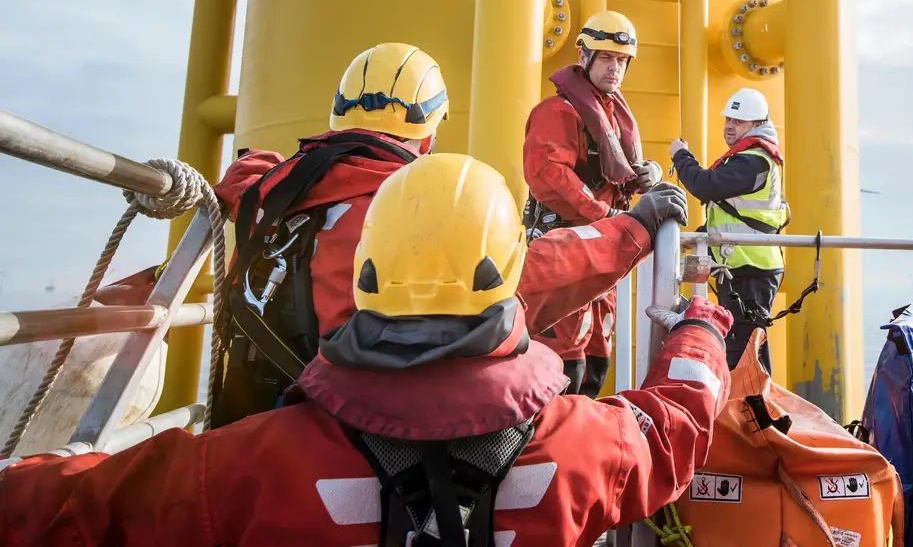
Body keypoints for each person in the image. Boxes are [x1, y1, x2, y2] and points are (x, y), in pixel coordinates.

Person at [0, 154, 731, 547]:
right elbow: (680, 419)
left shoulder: (243, 468)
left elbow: (73, 508)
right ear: (509, 271)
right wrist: (700, 322)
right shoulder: (586, 446)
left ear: (368, 274)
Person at [208, 42, 451, 426]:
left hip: (250, 408)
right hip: (354, 423)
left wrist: (258, 161)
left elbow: (244, 181)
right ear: (428, 136)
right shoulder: (429, 205)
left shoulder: (279, 188)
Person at [522, 11, 661, 397]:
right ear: (584, 57)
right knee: (560, 361)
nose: (615, 68)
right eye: (606, 58)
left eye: (621, 61)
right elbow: (549, 175)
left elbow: (611, 175)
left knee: (595, 355)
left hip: (599, 254)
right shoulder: (556, 113)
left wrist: (646, 174)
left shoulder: (609, 115)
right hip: (563, 253)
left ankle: (577, 448)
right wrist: (610, 218)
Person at [668, 87, 789, 373]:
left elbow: (705, 185)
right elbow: (734, 214)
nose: (730, 127)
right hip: (740, 266)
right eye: (728, 120)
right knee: (746, 349)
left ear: (757, 125)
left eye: (739, 122)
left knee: (743, 351)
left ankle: (754, 413)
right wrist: (700, 235)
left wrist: (681, 156)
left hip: (751, 268)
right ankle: (755, 412)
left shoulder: (753, 162)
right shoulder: (748, 159)